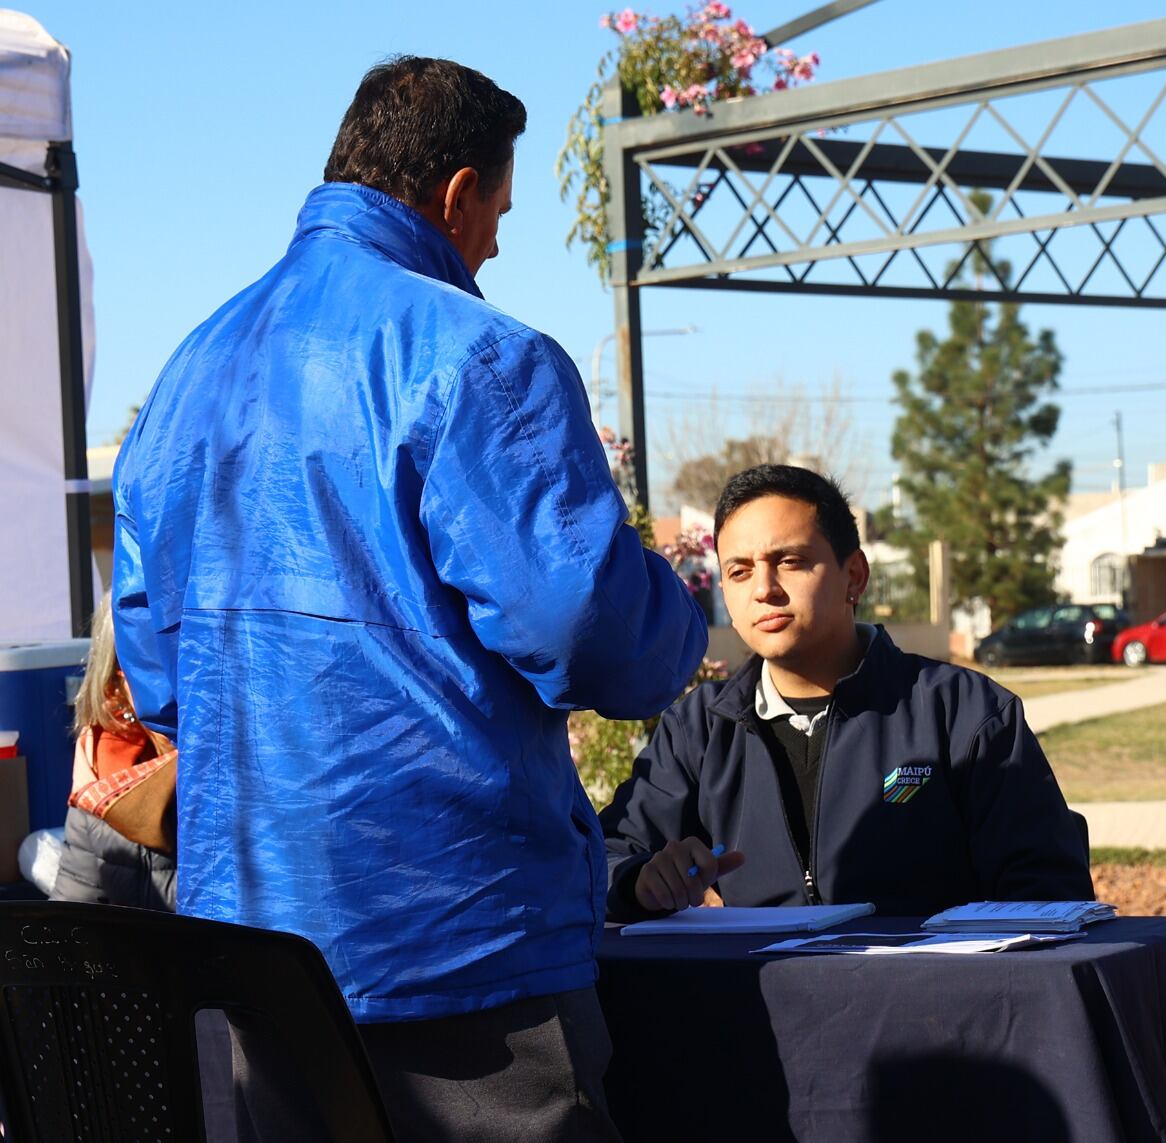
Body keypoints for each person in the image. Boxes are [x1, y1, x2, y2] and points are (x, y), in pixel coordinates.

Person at [112, 56, 707, 1142]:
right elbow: (586, 630)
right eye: (497, 214)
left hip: (261, 943)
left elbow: (156, 671)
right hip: (464, 946)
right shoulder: (482, 356)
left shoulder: (188, 371)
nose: (492, 245)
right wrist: (682, 612)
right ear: (455, 193)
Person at [599, 465, 1093, 919]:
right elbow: (605, 857)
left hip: (931, 1005)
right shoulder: (701, 729)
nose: (763, 588)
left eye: (789, 561)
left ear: (853, 575)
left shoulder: (965, 714)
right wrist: (638, 881)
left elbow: (1049, 891)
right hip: (759, 1007)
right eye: (739, 570)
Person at [52, 591, 177, 911]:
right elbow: (73, 920)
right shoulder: (98, 779)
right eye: (148, 669)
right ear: (114, 686)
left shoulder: (228, 761)